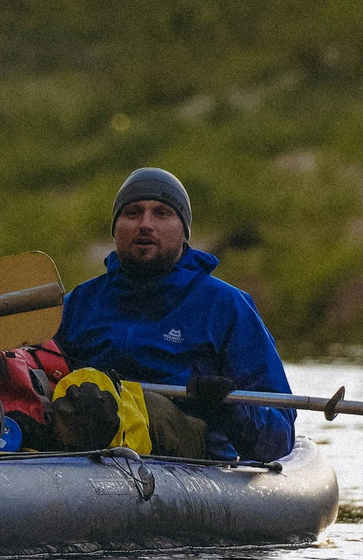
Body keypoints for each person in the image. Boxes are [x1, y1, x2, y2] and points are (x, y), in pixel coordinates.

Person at [50, 167, 295, 462]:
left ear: (183, 232)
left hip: (187, 450)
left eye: (162, 213)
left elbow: (280, 433)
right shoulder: (78, 303)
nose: (145, 224)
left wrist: (228, 406)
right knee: (82, 397)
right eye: (132, 213)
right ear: (115, 229)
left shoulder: (226, 305)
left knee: (145, 405)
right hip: (88, 434)